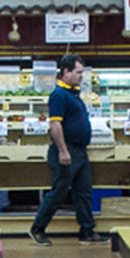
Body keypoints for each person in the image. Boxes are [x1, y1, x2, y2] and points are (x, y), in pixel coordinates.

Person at [29, 53, 106, 245]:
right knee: (59, 191)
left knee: (84, 192)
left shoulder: (73, 94)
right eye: (78, 72)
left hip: (80, 152)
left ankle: (87, 230)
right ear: (66, 72)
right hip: (66, 151)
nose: (81, 76)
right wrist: (63, 151)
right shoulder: (58, 95)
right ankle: (38, 228)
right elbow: (55, 125)